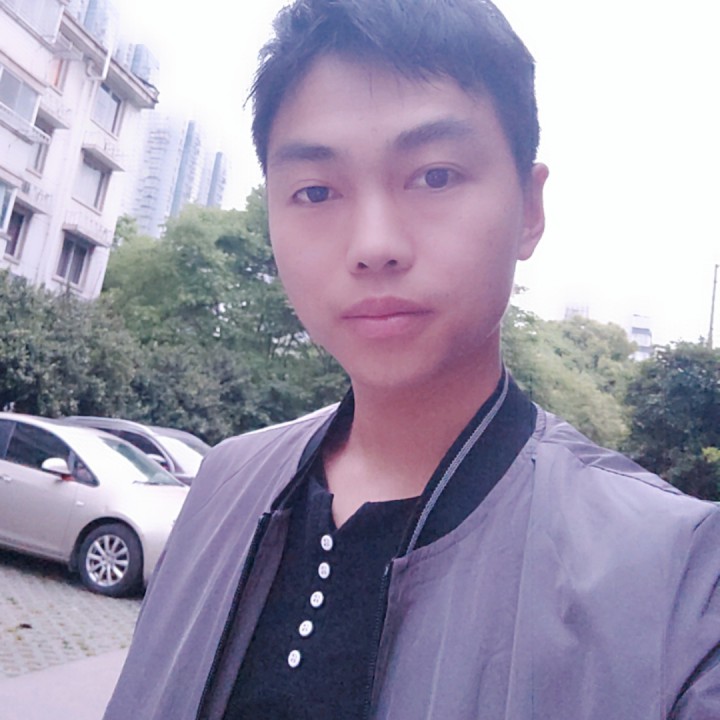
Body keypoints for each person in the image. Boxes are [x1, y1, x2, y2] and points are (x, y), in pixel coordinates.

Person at [104, 1, 720, 718]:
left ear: (529, 209)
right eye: (315, 191)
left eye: (434, 177)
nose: (374, 244)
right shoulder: (223, 484)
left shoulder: (674, 579)